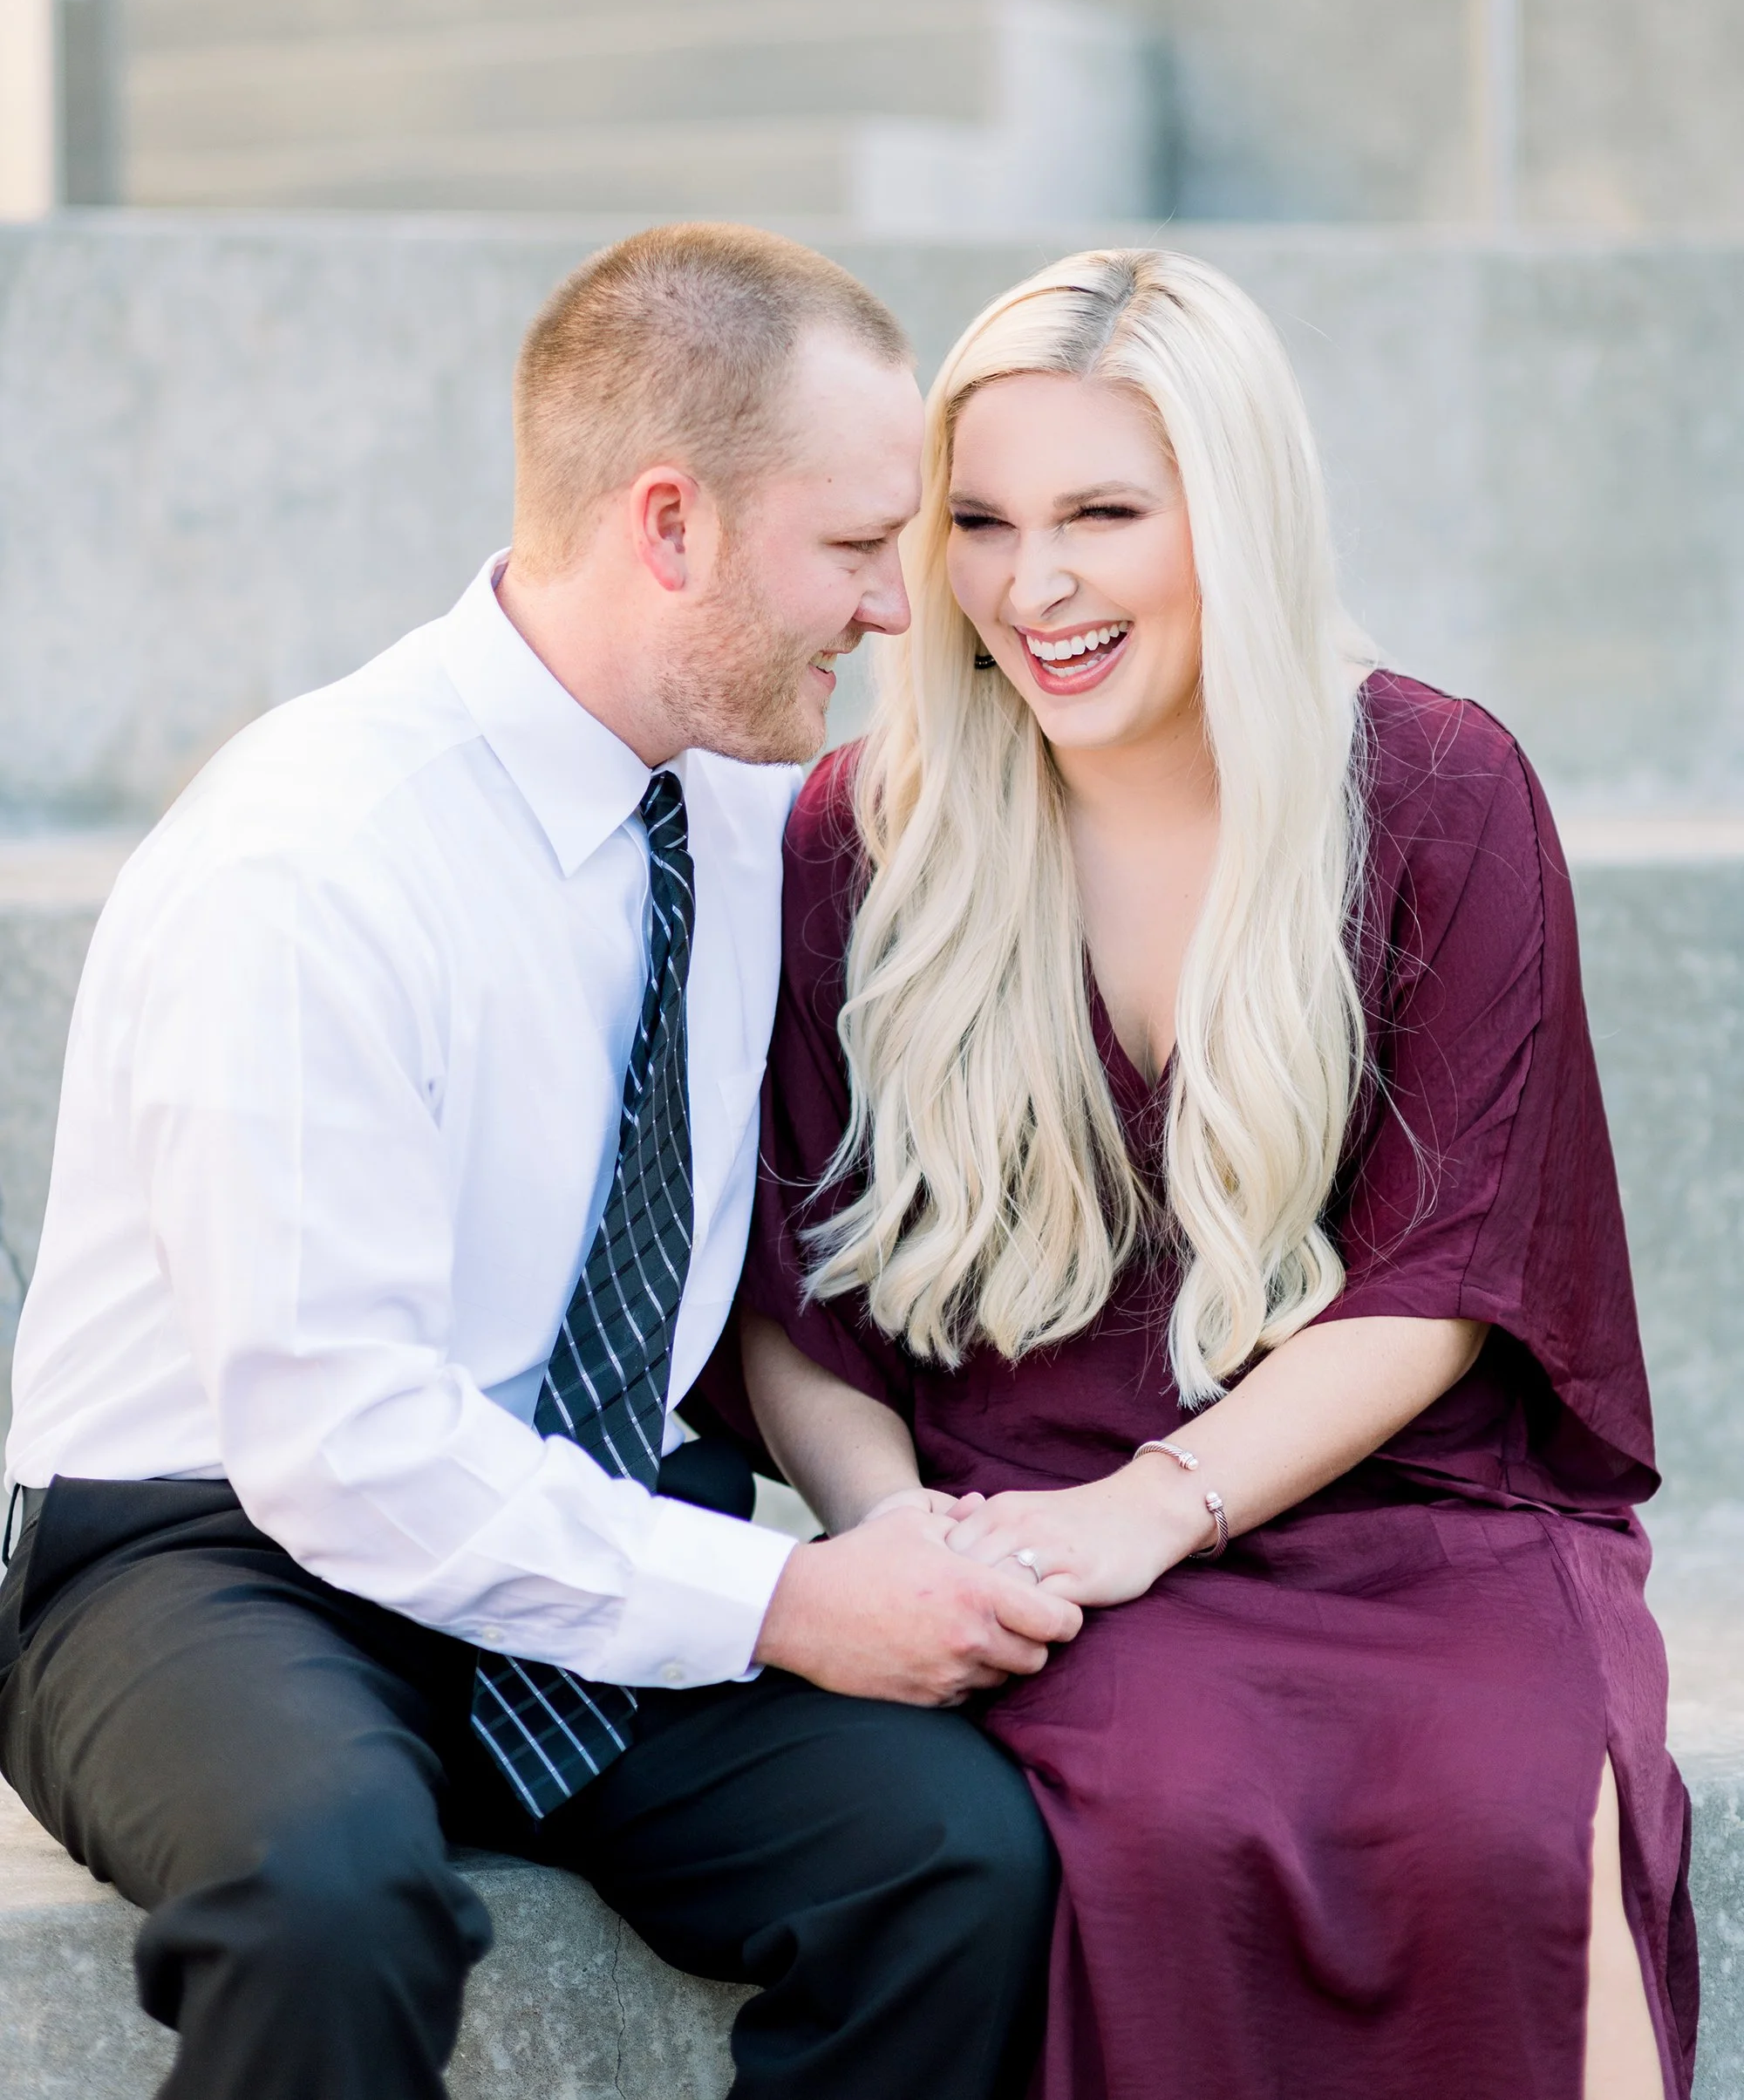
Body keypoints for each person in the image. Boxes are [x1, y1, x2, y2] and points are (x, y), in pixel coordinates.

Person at [0, 223, 1079, 2100]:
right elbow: (343, 1447)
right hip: (217, 1551)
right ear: (668, 526)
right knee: (327, 1897)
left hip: (588, 1497)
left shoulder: (743, 796)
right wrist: (786, 1597)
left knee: (954, 1858)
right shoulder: (312, 861)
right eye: (851, 551)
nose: (895, 613)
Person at [741, 247, 1698, 2100]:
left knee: (1503, 1819)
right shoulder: (870, 838)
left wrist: (1155, 1504)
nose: (1038, 587)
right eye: (983, 522)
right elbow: (794, 1291)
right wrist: (894, 1532)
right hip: (1024, 1526)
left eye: (1104, 511)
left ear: (1233, 516)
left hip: (1413, 1510)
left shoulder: (1431, 790)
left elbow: (1451, 1269)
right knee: (1166, 1820)